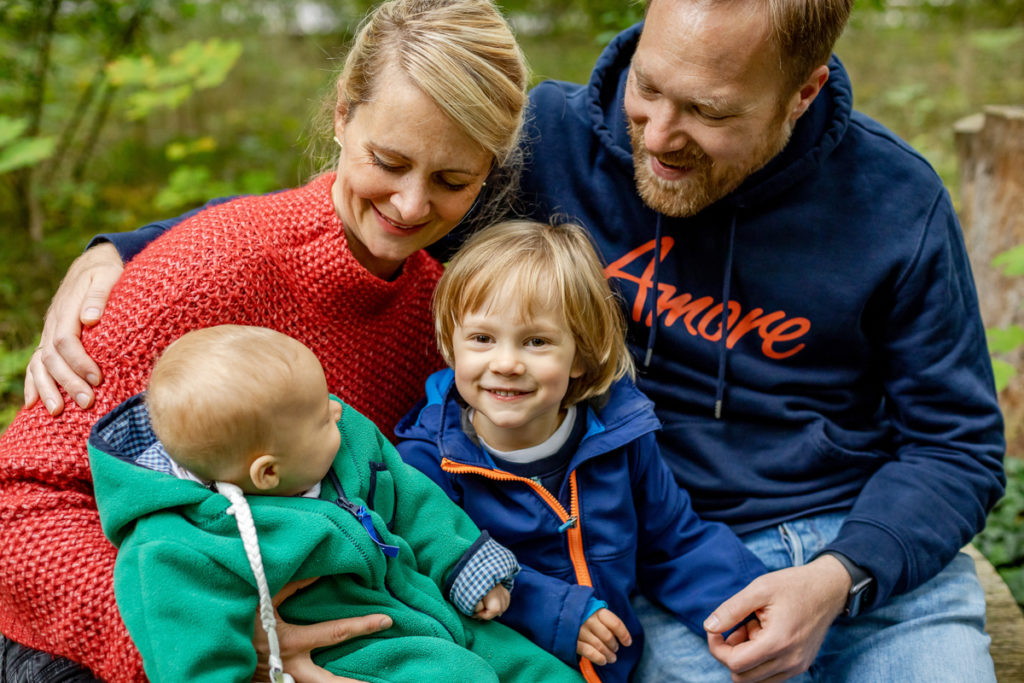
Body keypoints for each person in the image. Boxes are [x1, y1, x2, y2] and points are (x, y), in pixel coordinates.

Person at [16, 0, 1008, 681]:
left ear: (801, 93)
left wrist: (847, 571)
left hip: (858, 548)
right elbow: (334, 213)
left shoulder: (895, 202)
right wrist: (128, 253)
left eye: (707, 113)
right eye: (649, 89)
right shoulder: (555, 145)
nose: (658, 132)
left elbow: (957, 444)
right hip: (672, 555)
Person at [0, 0, 530, 681]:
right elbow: (16, 510)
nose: (410, 205)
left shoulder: (445, 315)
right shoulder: (210, 268)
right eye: (388, 161)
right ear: (343, 114)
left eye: (452, 181)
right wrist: (221, 641)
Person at [90, 324, 582, 683]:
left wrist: (463, 563)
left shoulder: (342, 444)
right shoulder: (176, 550)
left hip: (432, 609)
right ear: (268, 472)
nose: (337, 410)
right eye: (319, 417)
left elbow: (411, 502)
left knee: (543, 672)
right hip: (359, 655)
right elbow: (194, 662)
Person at [394, 219, 768, 683]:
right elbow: (434, 568)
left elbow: (673, 539)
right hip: (506, 666)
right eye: (482, 339)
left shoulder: (619, 436)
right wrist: (558, 614)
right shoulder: (429, 461)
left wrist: (742, 603)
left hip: (616, 662)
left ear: (580, 356)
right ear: (451, 342)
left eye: (536, 342)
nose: (506, 363)